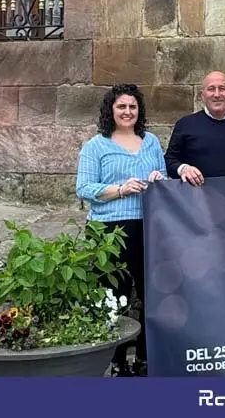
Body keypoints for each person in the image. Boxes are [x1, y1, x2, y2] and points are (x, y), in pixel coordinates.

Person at [75, 84, 167, 377]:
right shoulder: (96, 145)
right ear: (111, 111)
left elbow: (164, 176)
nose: (127, 112)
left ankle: (144, 356)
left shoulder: (150, 141)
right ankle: (115, 360)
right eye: (121, 107)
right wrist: (121, 189)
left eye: (132, 107)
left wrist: (157, 178)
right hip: (109, 231)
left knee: (151, 294)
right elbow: (84, 188)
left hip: (148, 225)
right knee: (114, 297)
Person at [164, 70, 225, 185]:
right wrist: (183, 169)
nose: (217, 94)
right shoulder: (185, 125)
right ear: (202, 95)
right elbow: (169, 161)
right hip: (196, 199)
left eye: (222, 88)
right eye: (211, 89)